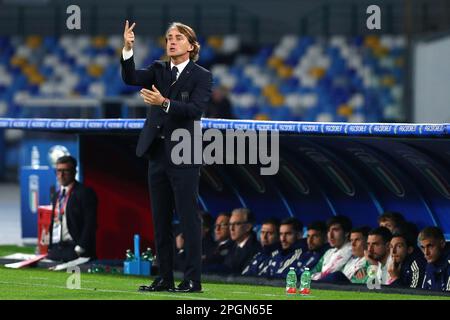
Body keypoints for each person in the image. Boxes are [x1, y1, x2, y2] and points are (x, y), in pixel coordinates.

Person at [121, 20, 212, 293]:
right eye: (169, 37)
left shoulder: (202, 76)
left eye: (178, 38)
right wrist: (127, 48)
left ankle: (193, 279)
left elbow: (195, 110)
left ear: (191, 45)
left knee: (187, 218)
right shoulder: (158, 69)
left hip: (184, 153)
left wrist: (164, 102)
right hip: (157, 152)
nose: (172, 41)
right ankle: (165, 277)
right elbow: (131, 78)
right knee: (160, 219)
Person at [47, 156, 97, 262]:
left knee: (73, 278)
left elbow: (90, 223)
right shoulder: (56, 194)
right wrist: (50, 246)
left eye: (65, 171)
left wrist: (79, 248)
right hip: (57, 248)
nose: (61, 175)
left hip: (75, 249)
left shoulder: (85, 193)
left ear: (74, 172)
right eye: (59, 171)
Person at [311, 215, 353, 280]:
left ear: (346, 232)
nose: (330, 236)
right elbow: (311, 272)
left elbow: (334, 276)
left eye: (335, 230)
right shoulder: (328, 252)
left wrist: (317, 276)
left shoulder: (353, 251)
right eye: (328, 231)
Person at [223, 208, 261, 275]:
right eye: (230, 224)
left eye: (236, 224)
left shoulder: (256, 249)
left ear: (248, 227)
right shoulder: (228, 246)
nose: (231, 228)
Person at [419, 227, 450, 292]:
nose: (426, 253)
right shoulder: (430, 264)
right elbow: (423, 294)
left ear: (442, 244)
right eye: (423, 248)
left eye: (430, 246)